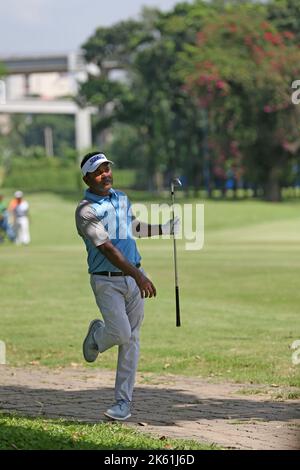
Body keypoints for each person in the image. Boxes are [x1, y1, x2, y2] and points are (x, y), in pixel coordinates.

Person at [75, 151, 179, 421]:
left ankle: (123, 403)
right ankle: (97, 337)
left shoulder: (121, 198)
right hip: (106, 280)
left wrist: (163, 228)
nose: (105, 174)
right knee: (120, 334)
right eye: (99, 171)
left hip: (134, 275)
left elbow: (133, 227)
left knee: (131, 340)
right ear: (87, 178)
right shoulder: (86, 211)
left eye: (107, 168)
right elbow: (107, 249)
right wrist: (139, 276)